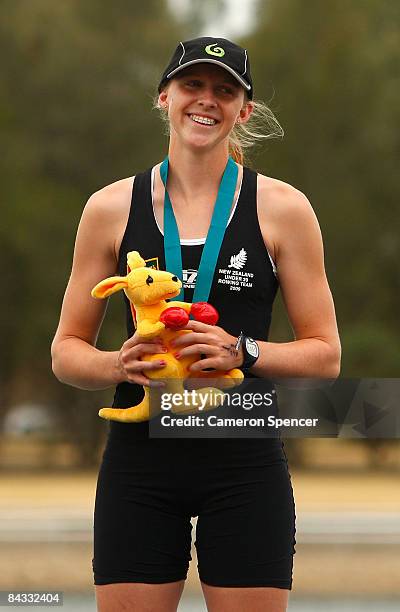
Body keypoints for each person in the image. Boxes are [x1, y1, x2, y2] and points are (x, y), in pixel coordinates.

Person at [51, 37, 341, 612]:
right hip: (140, 460)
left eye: (225, 91)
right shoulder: (110, 207)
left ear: (244, 110)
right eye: (192, 85)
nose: (206, 101)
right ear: (164, 96)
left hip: (244, 458)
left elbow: (326, 355)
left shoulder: (283, 208)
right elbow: (65, 351)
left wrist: (243, 352)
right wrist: (117, 363)